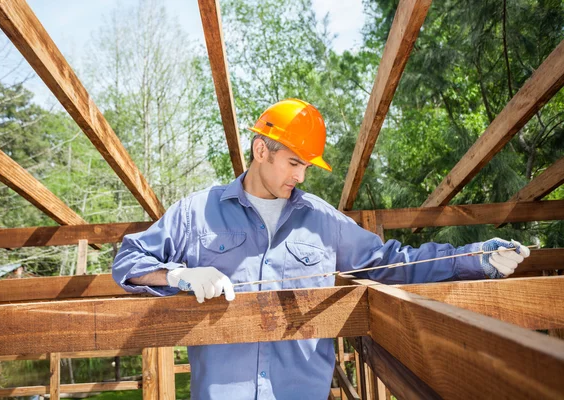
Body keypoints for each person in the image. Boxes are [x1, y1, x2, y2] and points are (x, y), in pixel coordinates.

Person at [112, 98, 530, 399]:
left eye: (307, 166)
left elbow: (390, 263)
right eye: (295, 163)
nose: (303, 176)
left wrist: (475, 258)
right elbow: (128, 260)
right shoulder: (196, 212)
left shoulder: (324, 220)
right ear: (262, 150)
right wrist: (179, 275)